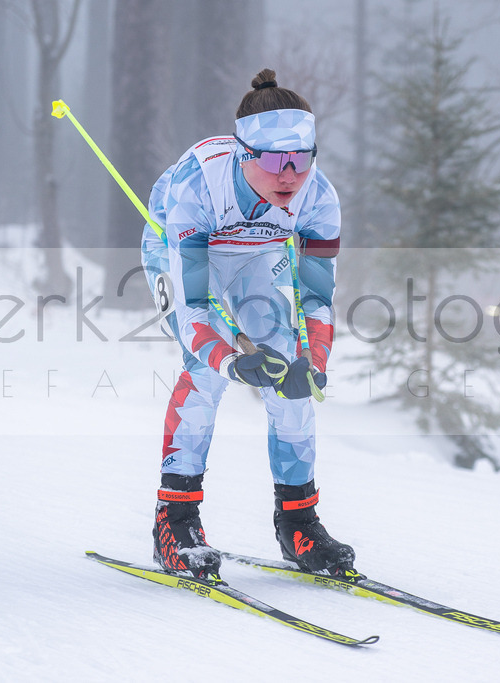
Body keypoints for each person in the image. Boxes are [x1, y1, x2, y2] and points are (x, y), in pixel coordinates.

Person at [140, 68, 353, 579]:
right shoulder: (197, 187)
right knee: (207, 371)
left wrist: (315, 359)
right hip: (184, 255)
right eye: (278, 162)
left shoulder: (318, 198)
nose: (291, 176)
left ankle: (298, 523)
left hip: (255, 257)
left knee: (290, 376)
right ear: (244, 154)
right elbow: (193, 307)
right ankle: (175, 521)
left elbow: (319, 298)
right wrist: (233, 360)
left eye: (303, 160)